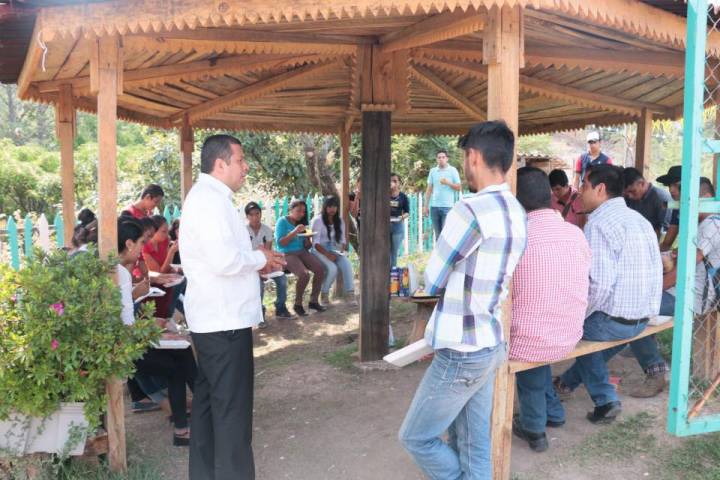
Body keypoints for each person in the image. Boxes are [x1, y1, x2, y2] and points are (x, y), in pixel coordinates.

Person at [399, 121, 527, 480]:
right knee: (474, 443)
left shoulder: (469, 210)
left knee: (416, 437)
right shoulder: (516, 210)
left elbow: (433, 278)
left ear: (473, 157)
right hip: (490, 342)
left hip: (461, 350)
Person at [180, 134, 285, 479]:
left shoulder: (210, 198)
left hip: (216, 320)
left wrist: (257, 260)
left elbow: (226, 256)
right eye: (240, 160)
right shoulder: (209, 201)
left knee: (209, 408)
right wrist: (260, 259)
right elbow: (224, 260)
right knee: (232, 415)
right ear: (220, 163)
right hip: (223, 322)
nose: (246, 167)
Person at [554, 165, 662, 424]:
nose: (580, 192)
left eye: (584, 186)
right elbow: (656, 268)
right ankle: (565, 384)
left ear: (600, 189)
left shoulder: (599, 224)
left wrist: (576, 315)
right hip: (642, 319)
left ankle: (605, 400)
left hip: (615, 322)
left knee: (574, 328)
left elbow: (599, 285)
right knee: (591, 331)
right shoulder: (639, 220)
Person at [510, 167, 591, 453]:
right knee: (537, 331)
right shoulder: (575, 233)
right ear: (549, 195)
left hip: (531, 341)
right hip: (570, 332)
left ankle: (534, 429)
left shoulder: (516, 237)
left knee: (526, 341)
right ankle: (553, 413)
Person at [117, 217, 197, 446]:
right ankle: (186, 426)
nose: (143, 248)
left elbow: (124, 315)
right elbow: (126, 326)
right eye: (141, 242)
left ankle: (203, 409)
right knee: (175, 366)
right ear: (129, 244)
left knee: (182, 351)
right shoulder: (120, 273)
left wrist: (152, 326)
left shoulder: (118, 271)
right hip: (125, 348)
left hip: (129, 341)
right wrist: (152, 328)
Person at [244, 201, 294, 323]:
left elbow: (268, 252)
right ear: (247, 216)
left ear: (261, 214)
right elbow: (245, 254)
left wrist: (265, 269)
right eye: (251, 215)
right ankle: (259, 313)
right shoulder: (243, 231)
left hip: (265, 263)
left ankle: (280, 308)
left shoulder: (266, 230)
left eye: (257, 214)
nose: (255, 217)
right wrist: (258, 270)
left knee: (282, 279)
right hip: (250, 266)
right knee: (258, 284)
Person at [276, 200, 327, 316]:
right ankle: (298, 304)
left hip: (302, 252)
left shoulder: (302, 224)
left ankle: (313, 301)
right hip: (287, 253)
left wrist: (308, 239)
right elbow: (280, 243)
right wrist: (295, 231)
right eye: (298, 211)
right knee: (304, 274)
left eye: (303, 212)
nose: (301, 214)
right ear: (291, 210)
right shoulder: (282, 221)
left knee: (320, 269)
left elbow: (307, 246)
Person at [310, 196, 356, 305]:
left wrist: (339, 252)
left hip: (334, 249)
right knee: (332, 268)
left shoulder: (339, 220)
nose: (332, 209)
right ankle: (324, 294)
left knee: (347, 264)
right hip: (319, 249)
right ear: (325, 207)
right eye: (329, 206)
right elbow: (315, 243)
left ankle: (350, 294)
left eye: (335, 206)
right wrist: (328, 254)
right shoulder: (318, 220)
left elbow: (342, 241)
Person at [143, 215, 184, 318]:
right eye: (163, 231)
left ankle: (170, 316)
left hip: (164, 280)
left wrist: (175, 270)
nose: (167, 234)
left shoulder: (165, 241)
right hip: (152, 284)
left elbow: (167, 266)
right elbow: (159, 274)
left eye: (167, 231)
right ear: (154, 232)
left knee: (183, 280)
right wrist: (171, 252)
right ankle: (167, 316)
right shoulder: (145, 248)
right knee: (175, 288)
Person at [423, 150, 462, 239]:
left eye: (443, 157)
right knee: (438, 236)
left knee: (445, 235)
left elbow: (459, 187)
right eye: (439, 157)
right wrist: (425, 206)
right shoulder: (433, 171)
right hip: (434, 207)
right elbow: (429, 189)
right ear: (436, 159)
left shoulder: (453, 170)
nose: (441, 159)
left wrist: (448, 183)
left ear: (447, 159)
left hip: (447, 207)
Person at [624, 167, 666, 237]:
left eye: (633, 191)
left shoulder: (661, 198)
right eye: (626, 193)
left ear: (642, 183)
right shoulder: (627, 198)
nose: (630, 196)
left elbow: (665, 228)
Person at [657, 165, 682, 251]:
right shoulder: (677, 207)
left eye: (675, 185)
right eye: (669, 186)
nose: (671, 190)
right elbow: (666, 244)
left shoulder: (702, 206)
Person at [389, 172, 410, 267]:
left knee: (394, 252)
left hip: (397, 226)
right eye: (390, 181)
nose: (392, 183)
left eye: (395, 181)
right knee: (385, 251)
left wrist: (401, 217)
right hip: (385, 226)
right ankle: (384, 272)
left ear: (398, 183)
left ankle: (392, 272)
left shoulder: (403, 196)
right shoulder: (383, 195)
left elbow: (407, 212)